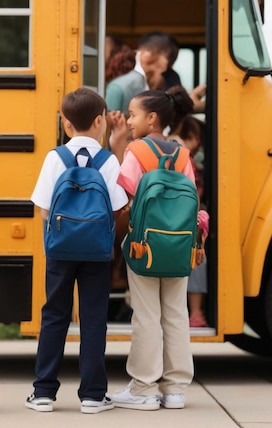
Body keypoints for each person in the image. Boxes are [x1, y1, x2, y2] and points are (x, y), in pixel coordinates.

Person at [27, 88, 128, 414]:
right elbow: (117, 208)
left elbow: (43, 209)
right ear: (100, 121)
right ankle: (93, 396)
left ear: (65, 123)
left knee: (55, 316)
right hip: (96, 252)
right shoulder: (108, 160)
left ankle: (43, 393)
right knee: (93, 319)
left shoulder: (54, 158)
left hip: (59, 250)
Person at [110, 86, 207, 411]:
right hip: (179, 246)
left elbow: (124, 198)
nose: (129, 119)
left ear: (152, 118)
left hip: (144, 246)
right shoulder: (182, 154)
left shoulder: (136, 151)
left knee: (147, 316)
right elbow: (192, 199)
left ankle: (145, 388)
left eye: (133, 114)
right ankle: (176, 389)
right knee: (176, 315)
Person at [169, 115, 209, 327]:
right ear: (193, 136)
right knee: (198, 257)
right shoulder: (186, 157)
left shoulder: (164, 147)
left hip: (164, 219)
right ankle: (195, 312)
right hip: (183, 221)